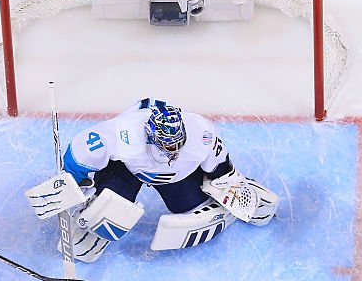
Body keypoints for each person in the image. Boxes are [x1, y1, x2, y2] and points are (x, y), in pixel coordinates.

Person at [25, 98, 278, 261]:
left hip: (177, 176)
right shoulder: (121, 135)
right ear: (149, 134)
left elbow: (220, 168)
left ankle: (236, 200)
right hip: (127, 170)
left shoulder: (200, 132)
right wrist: (69, 183)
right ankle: (92, 223)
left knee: (191, 207)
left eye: (177, 144)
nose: (173, 151)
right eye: (167, 145)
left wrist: (229, 188)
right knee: (111, 210)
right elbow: (79, 155)